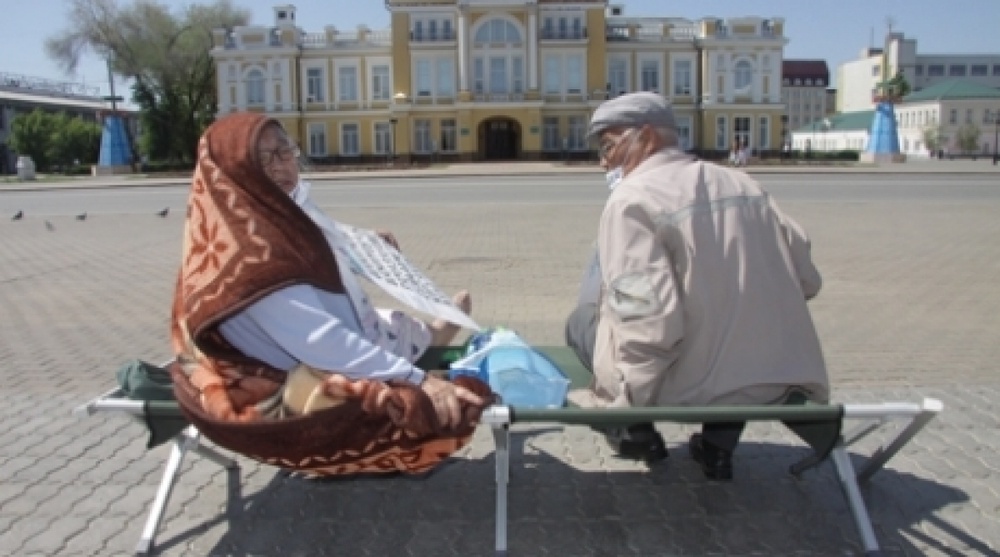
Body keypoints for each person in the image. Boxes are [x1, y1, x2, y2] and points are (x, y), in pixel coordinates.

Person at [565, 92, 829, 480]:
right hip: (772, 377)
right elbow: (807, 278)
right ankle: (718, 447)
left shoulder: (631, 201)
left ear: (647, 137)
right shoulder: (745, 184)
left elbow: (646, 319)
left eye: (608, 146)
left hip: (689, 386)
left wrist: (624, 405)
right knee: (733, 318)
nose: (604, 162)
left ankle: (636, 433)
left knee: (580, 322)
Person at [171, 112, 486, 436]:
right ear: (235, 172)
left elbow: (322, 242)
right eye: (261, 158)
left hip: (312, 338)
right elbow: (321, 341)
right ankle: (431, 340)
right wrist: (419, 381)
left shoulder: (270, 213)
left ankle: (431, 335)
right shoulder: (255, 258)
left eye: (284, 151)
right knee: (393, 360)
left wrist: (367, 244)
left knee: (386, 321)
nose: (279, 165)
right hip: (296, 374)